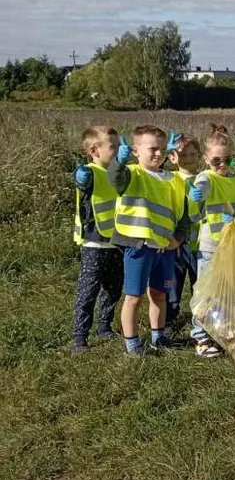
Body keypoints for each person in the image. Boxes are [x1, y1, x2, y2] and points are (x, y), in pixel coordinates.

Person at [108, 126, 189, 356]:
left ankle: (158, 337)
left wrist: (178, 239)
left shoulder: (175, 180)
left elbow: (182, 215)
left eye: (163, 149)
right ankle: (132, 344)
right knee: (134, 296)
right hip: (139, 246)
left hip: (164, 249)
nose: (158, 153)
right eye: (152, 148)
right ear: (135, 151)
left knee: (159, 295)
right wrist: (118, 162)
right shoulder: (132, 174)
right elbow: (114, 177)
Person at [187, 124, 235, 358]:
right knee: (207, 292)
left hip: (232, 245)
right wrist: (197, 193)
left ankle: (223, 331)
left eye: (228, 160)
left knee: (230, 292)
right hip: (211, 246)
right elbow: (201, 186)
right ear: (206, 160)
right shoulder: (206, 177)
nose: (222, 166)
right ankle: (200, 336)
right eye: (216, 161)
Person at [71, 126, 123, 354]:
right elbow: (81, 181)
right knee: (88, 291)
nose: (118, 150)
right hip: (94, 242)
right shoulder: (90, 172)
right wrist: (79, 177)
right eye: (113, 146)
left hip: (116, 241)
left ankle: (104, 326)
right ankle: (80, 337)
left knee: (113, 289)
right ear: (94, 150)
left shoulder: (116, 172)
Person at [166, 129, 202, 335]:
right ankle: (169, 319)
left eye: (192, 154)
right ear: (172, 157)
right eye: (183, 154)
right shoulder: (169, 178)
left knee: (199, 282)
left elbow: (230, 166)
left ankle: (200, 319)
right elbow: (151, 173)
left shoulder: (204, 179)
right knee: (172, 282)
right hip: (174, 242)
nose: (188, 159)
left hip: (198, 242)